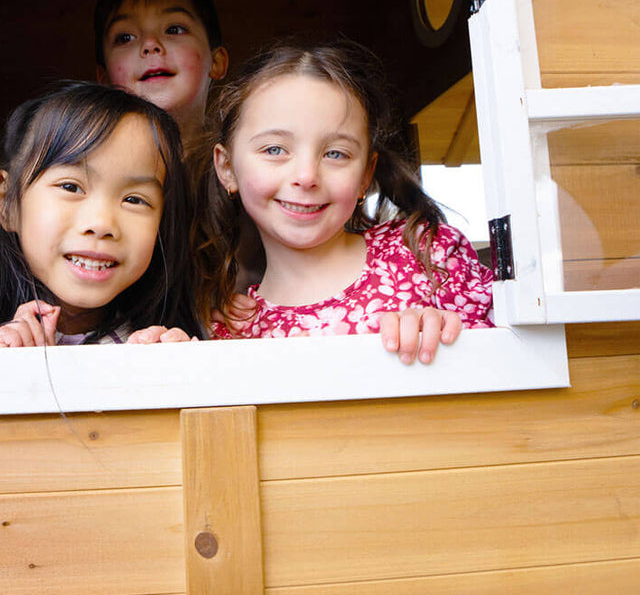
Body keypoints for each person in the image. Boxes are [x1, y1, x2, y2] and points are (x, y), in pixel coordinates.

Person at [193, 40, 493, 365]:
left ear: (366, 174)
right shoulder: (231, 332)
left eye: (336, 153)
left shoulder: (427, 255)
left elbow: (526, 369)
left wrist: (458, 340)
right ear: (227, 168)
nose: (307, 176)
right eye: (275, 150)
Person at [0, 81, 199, 349]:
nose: (101, 224)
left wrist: (172, 379)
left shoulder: (154, 346)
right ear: (8, 202)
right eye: (71, 186)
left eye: (134, 200)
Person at [95, 0, 229, 152]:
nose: (150, 45)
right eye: (125, 37)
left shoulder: (243, 163)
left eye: (174, 29)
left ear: (216, 62)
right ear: (104, 79)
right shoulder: (92, 168)